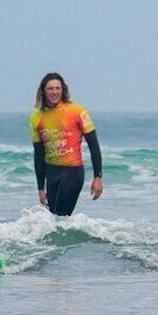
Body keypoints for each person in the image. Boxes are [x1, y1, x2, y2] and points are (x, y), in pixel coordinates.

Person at [30, 72, 103, 216]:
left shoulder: (77, 111)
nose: (54, 92)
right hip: (52, 173)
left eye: (58, 88)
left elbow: (93, 145)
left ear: (63, 90)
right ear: (43, 91)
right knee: (53, 218)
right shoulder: (36, 117)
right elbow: (39, 155)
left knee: (60, 216)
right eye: (50, 88)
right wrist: (40, 188)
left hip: (72, 171)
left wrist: (97, 177)